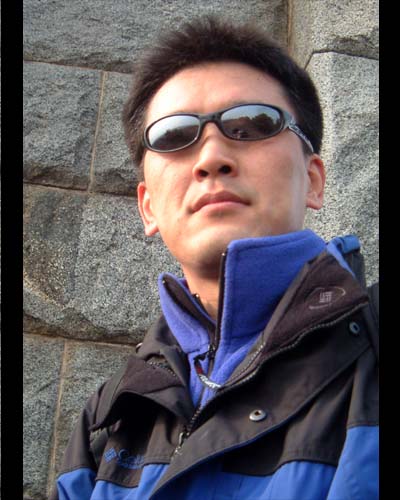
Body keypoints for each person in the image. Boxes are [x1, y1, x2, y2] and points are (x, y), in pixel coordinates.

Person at [51, 15, 378, 499]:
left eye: (252, 124)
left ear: (312, 180)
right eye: (173, 135)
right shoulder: (107, 421)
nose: (210, 158)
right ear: (148, 206)